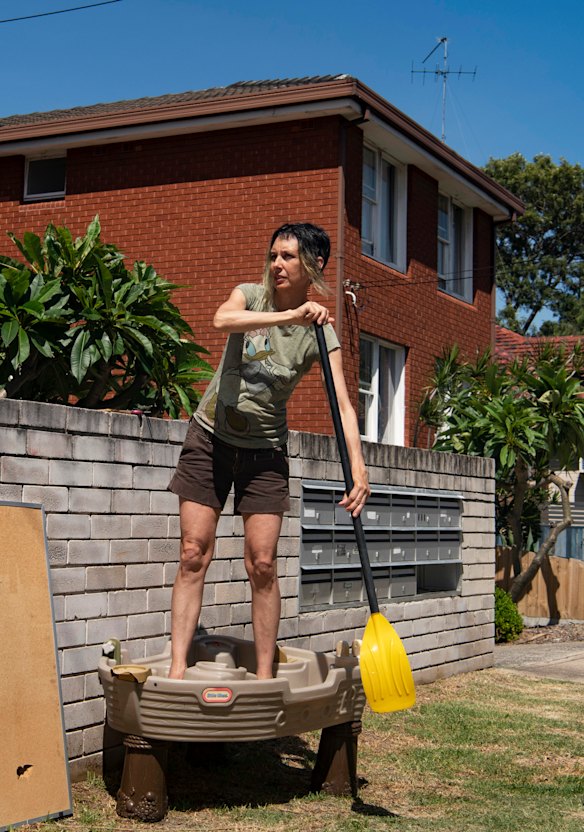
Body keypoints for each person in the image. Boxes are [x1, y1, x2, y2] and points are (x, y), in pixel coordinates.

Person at [167, 222, 370, 680]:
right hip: (210, 439)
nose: (277, 264)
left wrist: (358, 469)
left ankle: (264, 678)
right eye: (274, 255)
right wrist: (289, 317)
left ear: (313, 265)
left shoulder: (321, 333)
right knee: (192, 552)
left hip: (265, 454)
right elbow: (222, 320)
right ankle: (177, 671)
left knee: (262, 563)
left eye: (289, 257)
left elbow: (342, 404)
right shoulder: (251, 295)